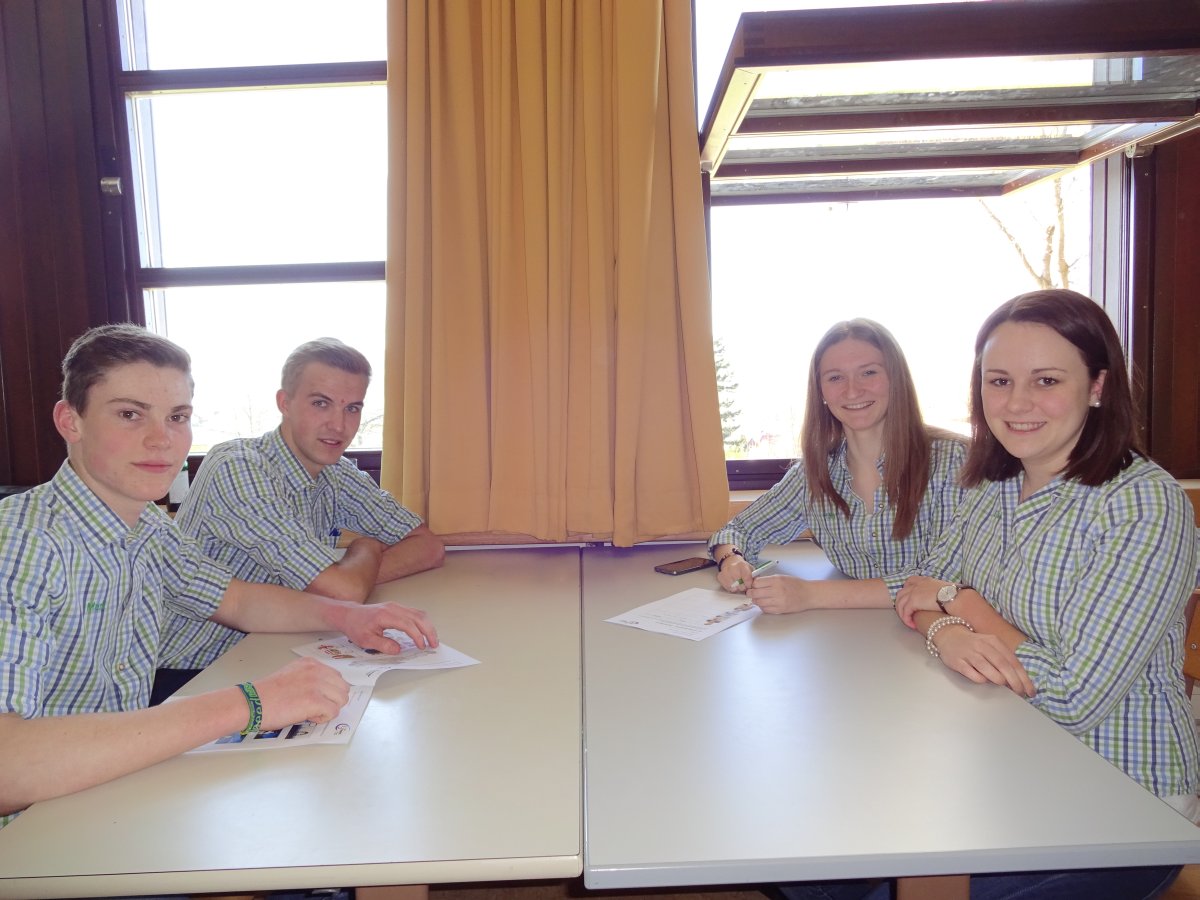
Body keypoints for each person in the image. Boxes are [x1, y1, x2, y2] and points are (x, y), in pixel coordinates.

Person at [0, 324, 438, 830]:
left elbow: (237, 600)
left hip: (99, 792)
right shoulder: (23, 544)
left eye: (177, 416)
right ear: (70, 421)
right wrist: (251, 702)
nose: (161, 439)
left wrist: (351, 616)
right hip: (30, 837)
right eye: (129, 414)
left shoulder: (146, 528)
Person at [890, 289, 1199, 899]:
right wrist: (946, 628)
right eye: (999, 381)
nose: (1017, 403)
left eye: (1047, 380)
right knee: (825, 861)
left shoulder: (1141, 503)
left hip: (1121, 798)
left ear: (1098, 386)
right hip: (1005, 753)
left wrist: (965, 605)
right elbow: (915, 590)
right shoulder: (992, 486)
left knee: (889, 870)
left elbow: (1073, 696)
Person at [155, 337, 445, 682]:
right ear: (285, 403)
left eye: (352, 408)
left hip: (270, 648)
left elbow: (427, 546)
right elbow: (344, 591)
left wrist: (348, 577)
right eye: (321, 403)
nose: (339, 426)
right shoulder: (238, 467)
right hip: (189, 668)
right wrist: (365, 548)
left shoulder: (335, 472)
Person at [709, 318, 966, 613]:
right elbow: (738, 529)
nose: (852, 391)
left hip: (940, 626)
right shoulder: (815, 473)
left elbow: (942, 580)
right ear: (820, 391)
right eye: (835, 378)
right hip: (850, 630)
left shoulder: (951, 461)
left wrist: (810, 595)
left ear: (896, 379)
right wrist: (731, 559)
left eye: (868, 373)